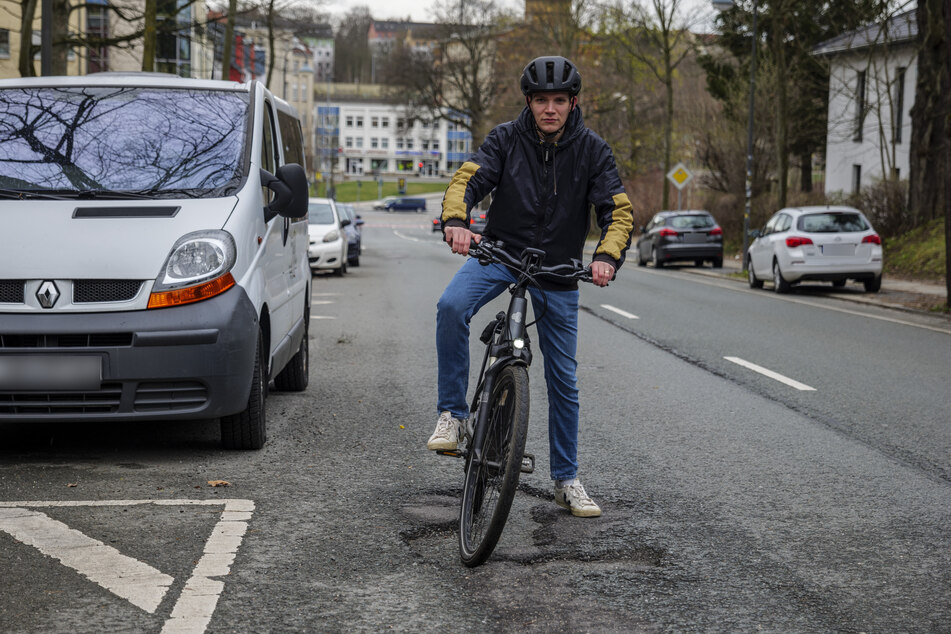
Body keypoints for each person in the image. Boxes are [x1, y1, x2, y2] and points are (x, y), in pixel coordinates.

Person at [427, 56, 635, 518]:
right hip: (501, 253)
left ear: (572, 103)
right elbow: (468, 180)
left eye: (559, 100)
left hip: (559, 270)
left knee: (563, 378)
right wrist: (457, 222)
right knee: (450, 306)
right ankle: (453, 416)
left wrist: (604, 256)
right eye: (542, 100)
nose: (550, 109)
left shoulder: (593, 151)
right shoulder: (505, 138)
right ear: (530, 101)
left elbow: (617, 212)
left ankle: (566, 479)